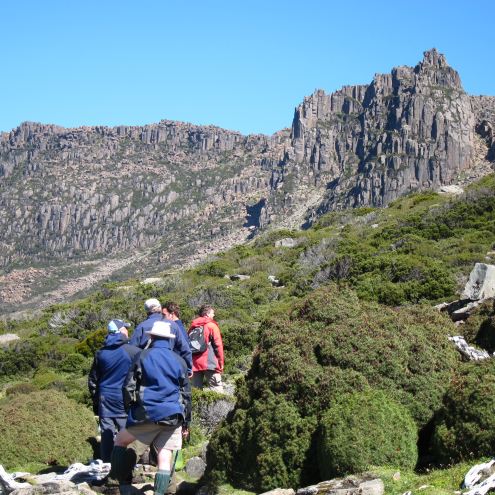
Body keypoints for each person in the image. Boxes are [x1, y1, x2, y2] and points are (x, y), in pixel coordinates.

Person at [110, 321, 191, 495]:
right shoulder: (180, 361)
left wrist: (129, 408)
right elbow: (186, 395)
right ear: (169, 339)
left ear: (152, 337)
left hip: (146, 413)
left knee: (120, 441)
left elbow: (128, 386)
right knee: (164, 456)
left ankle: (117, 484)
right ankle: (159, 493)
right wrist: (186, 422)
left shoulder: (143, 356)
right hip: (173, 416)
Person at [88, 319, 140, 462]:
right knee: (127, 429)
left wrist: (96, 397)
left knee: (106, 431)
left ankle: (107, 463)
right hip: (124, 397)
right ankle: (127, 464)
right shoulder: (133, 351)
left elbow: (93, 379)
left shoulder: (100, 353)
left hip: (105, 396)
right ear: (120, 331)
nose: (127, 331)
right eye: (125, 328)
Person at [129, 298, 192, 376]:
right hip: (170, 367)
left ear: (147, 310)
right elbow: (185, 349)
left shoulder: (141, 326)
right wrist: (188, 369)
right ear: (160, 308)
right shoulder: (173, 325)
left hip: (146, 369)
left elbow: (132, 350)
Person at [188, 304, 224, 393]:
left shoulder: (192, 326)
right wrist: (221, 362)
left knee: (196, 392)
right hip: (210, 363)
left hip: (195, 364)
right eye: (212, 313)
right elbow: (218, 345)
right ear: (207, 314)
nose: (214, 315)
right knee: (217, 391)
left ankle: (196, 408)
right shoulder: (211, 325)